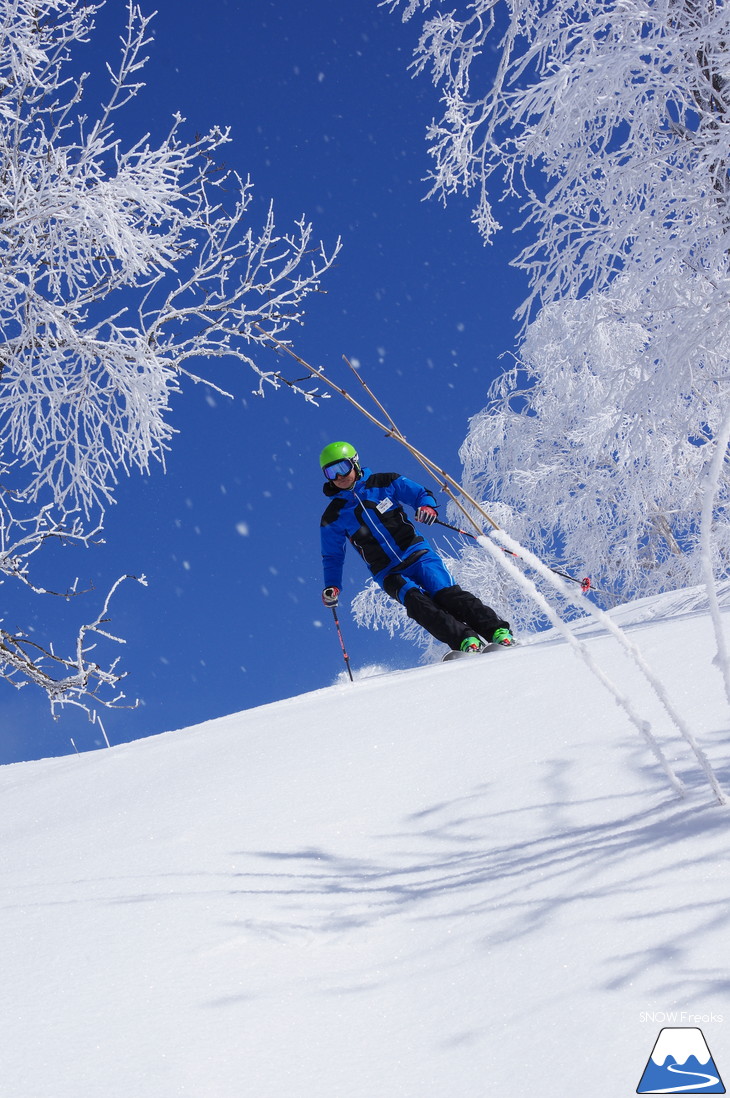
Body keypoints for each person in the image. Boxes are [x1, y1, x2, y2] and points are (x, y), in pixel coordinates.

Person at [318, 441, 515, 654]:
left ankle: (497, 632)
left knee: (446, 594)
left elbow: (420, 494)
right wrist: (332, 586)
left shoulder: (384, 482)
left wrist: (427, 507)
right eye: (331, 472)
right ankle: (465, 641)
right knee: (417, 605)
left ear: (354, 463)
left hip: (417, 554)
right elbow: (332, 556)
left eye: (342, 468)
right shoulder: (333, 516)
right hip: (387, 572)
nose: (339, 477)